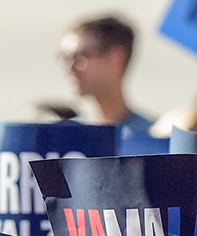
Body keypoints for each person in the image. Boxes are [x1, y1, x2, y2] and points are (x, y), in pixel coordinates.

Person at [58, 15, 153, 147]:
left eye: (79, 56)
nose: (70, 67)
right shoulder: (64, 137)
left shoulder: (151, 137)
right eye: (65, 58)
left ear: (116, 58)